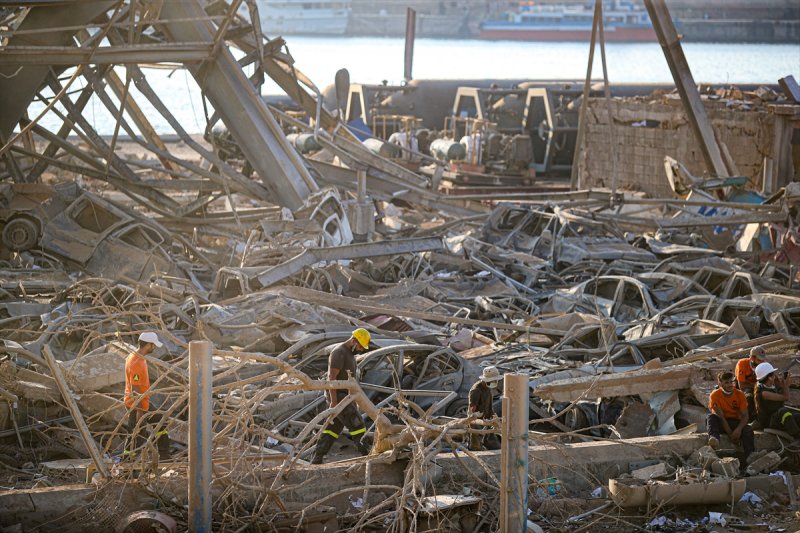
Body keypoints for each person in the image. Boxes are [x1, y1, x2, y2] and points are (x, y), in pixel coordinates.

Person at [311, 328, 372, 464]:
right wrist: (333, 401)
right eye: (360, 346)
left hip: (345, 397)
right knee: (358, 425)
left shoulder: (349, 354)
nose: (361, 349)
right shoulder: (339, 352)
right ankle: (369, 456)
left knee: (333, 429)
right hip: (338, 396)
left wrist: (353, 400)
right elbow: (332, 378)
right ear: (354, 341)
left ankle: (316, 458)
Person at [124, 331, 162, 457]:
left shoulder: (135, 356)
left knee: (160, 422)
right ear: (148, 345)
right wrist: (140, 411)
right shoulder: (137, 363)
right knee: (137, 434)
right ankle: (130, 461)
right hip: (137, 404)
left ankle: (164, 455)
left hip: (139, 402)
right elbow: (135, 389)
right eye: (153, 345)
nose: (154, 347)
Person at [706, 370, 754, 461]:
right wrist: (731, 435)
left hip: (735, 422)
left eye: (731, 382)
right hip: (722, 421)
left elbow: (745, 416)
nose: (730, 385)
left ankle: (750, 456)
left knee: (748, 430)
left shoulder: (740, 394)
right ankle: (714, 439)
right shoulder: (714, 395)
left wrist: (738, 430)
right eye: (726, 382)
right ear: (720, 384)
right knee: (711, 417)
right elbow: (721, 417)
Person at [754, 362, 800, 438]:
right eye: (773, 374)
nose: (775, 376)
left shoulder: (770, 385)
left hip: (777, 416)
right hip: (769, 421)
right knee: (784, 412)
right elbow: (785, 397)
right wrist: (786, 386)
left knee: (797, 416)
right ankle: (797, 435)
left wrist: (782, 384)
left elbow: (781, 390)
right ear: (769, 377)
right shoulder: (764, 393)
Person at [467, 366, 502, 451]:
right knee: (476, 446)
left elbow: (489, 406)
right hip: (476, 420)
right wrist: (475, 418)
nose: (494, 382)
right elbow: (472, 409)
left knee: (494, 444)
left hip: (487, 418)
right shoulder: (476, 390)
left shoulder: (488, 388)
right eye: (493, 380)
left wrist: (494, 417)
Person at [735, 346, 765, 420]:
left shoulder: (764, 364)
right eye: (759, 360)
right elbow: (741, 386)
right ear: (752, 358)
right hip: (746, 386)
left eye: (763, 359)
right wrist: (756, 386)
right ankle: (747, 419)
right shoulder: (742, 363)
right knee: (749, 396)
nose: (762, 362)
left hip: (757, 385)